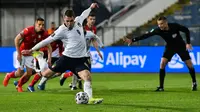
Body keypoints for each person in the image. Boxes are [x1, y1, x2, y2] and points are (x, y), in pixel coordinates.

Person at [22, 3, 103, 104]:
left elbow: (84, 14)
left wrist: (91, 7)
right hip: (66, 59)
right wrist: (31, 50)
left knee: (87, 77)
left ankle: (90, 99)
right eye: (67, 21)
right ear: (63, 19)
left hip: (79, 60)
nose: (69, 23)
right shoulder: (61, 30)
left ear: (74, 18)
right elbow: (46, 41)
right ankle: (38, 56)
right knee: (45, 74)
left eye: (71, 21)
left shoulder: (79, 21)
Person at [124, 16, 197, 91]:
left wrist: (188, 43)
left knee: (189, 64)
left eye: (162, 24)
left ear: (166, 23)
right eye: (159, 24)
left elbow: (186, 30)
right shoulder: (158, 30)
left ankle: (194, 82)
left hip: (180, 46)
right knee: (162, 63)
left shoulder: (174, 26)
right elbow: (146, 35)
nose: (160, 26)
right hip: (170, 47)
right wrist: (132, 40)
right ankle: (161, 87)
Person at [3, 17, 52, 92]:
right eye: (39, 24)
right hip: (22, 53)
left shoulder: (44, 33)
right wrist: (18, 54)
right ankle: (8, 75)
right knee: (20, 73)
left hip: (30, 54)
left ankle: (19, 85)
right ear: (35, 24)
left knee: (29, 73)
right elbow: (16, 39)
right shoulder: (28, 30)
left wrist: (49, 59)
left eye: (42, 25)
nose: (41, 26)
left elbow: (49, 47)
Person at [60, 12, 99, 89]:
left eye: (94, 19)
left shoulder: (94, 29)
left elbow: (93, 40)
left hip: (86, 53)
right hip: (78, 52)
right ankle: (74, 84)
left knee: (86, 70)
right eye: (91, 19)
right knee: (79, 68)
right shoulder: (82, 27)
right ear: (87, 19)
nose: (92, 21)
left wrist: (98, 51)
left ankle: (70, 78)